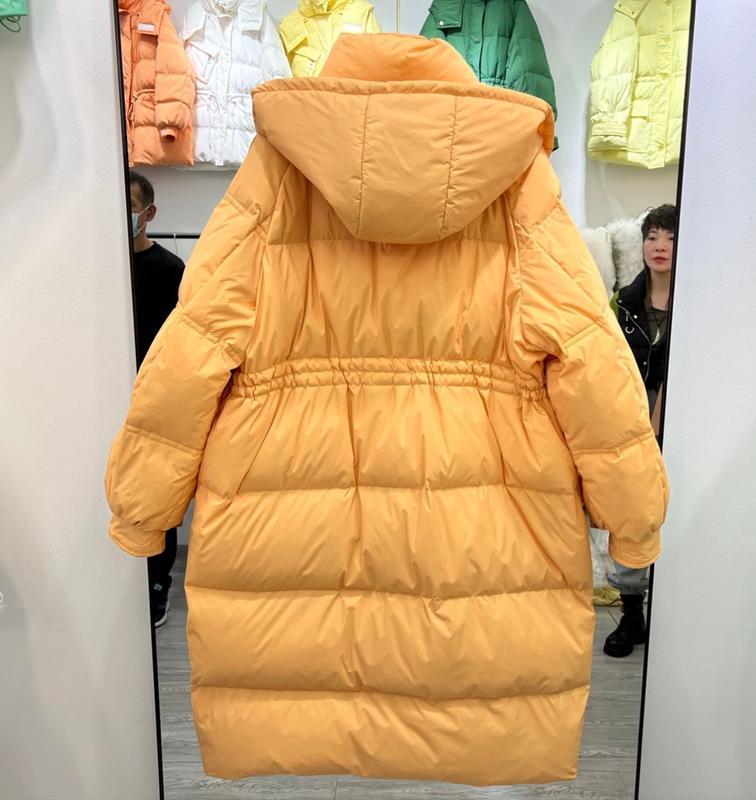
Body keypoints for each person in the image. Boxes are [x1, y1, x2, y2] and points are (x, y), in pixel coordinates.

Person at [104, 36, 667, 784]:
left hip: (290, 522)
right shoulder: (516, 177)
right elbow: (587, 352)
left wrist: (143, 506)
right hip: (483, 526)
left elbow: (198, 339)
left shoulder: (276, 170)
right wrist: (634, 519)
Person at [604, 203, 675, 658]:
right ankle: (632, 613)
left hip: (680, 419)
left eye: (670, 237)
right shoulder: (623, 303)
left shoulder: (698, 303)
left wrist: (661, 413)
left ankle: (676, 610)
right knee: (632, 511)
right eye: (652, 236)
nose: (659, 246)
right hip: (628, 419)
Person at [129, 171, 185, 628]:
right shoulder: (96, 268)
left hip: (156, 396)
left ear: (149, 213)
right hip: (108, 393)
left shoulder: (170, 270)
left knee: (157, 492)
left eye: (130, 207)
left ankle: (156, 583)